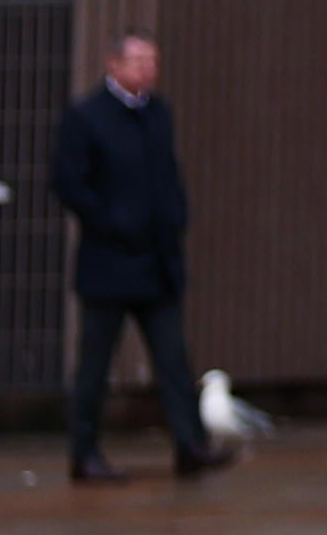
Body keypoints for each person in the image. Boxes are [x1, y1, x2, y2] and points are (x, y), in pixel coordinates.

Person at [52, 32, 220, 484]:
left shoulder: (158, 114)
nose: (148, 69)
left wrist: (176, 217)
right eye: (140, 60)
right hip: (109, 263)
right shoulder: (86, 118)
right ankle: (84, 454)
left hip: (157, 262)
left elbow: (167, 174)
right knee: (95, 365)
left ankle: (191, 445)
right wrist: (109, 222)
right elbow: (68, 183)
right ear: (115, 64)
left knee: (173, 359)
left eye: (153, 61)